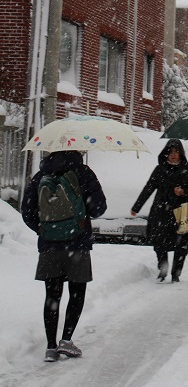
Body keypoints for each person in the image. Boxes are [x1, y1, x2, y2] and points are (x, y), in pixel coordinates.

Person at [21, 150, 107, 362]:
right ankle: (66, 340)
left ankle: (50, 347)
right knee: (76, 293)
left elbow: (27, 211)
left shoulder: (41, 175)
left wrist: (46, 230)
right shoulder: (83, 172)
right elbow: (98, 209)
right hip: (77, 245)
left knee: (52, 296)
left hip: (50, 247)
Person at [131, 139, 188, 283]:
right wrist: (136, 207)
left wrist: (184, 192)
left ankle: (176, 273)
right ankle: (163, 268)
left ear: (181, 154)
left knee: (182, 245)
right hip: (161, 212)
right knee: (159, 243)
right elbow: (149, 188)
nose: (173, 155)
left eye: (176, 152)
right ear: (166, 153)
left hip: (181, 213)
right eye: (170, 152)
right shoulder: (160, 169)